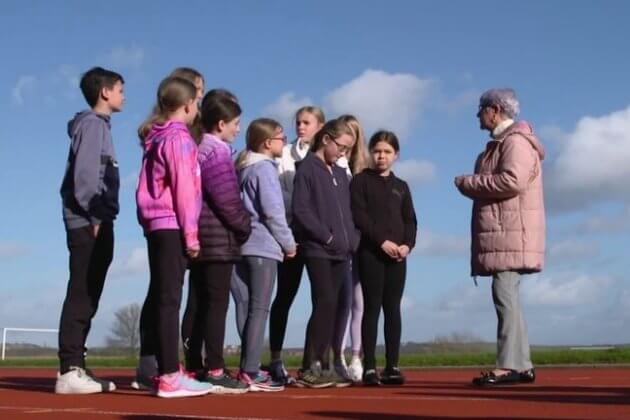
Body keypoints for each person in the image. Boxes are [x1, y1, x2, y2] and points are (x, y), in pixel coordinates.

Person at [454, 88, 544, 386]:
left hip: (509, 233)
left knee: (504, 296)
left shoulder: (514, 143)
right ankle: (522, 363)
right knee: (509, 299)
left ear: (494, 109)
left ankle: (509, 365)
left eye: (481, 109)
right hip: (507, 233)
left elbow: (512, 181)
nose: (478, 115)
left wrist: (469, 182)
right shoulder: (503, 143)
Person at [135, 76, 213, 398]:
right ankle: (169, 374)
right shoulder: (179, 140)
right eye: (196, 102)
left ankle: (168, 369)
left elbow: (143, 189)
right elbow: (184, 191)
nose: (197, 108)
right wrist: (191, 236)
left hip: (158, 226)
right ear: (187, 105)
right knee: (170, 300)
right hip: (172, 225)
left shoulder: (156, 139)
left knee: (164, 298)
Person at [56, 66, 124, 394]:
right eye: (120, 89)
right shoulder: (93, 126)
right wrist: (96, 217)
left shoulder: (100, 127)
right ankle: (69, 369)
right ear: (105, 92)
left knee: (90, 294)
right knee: (82, 292)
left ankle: (77, 366)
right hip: (88, 221)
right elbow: (85, 177)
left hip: (96, 219)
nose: (124, 95)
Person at [184, 93, 251, 393]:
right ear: (221, 123)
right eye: (236, 123)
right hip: (217, 239)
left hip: (201, 237)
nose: (238, 129)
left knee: (199, 303)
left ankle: (196, 365)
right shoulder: (217, 152)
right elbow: (227, 199)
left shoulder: (197, 148)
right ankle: (214, 368)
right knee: (216, 305)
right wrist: (244, 227)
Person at [291, 118, 360, 388]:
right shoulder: (307, 169)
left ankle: (325, 364)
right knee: (324, 303)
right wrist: (328, 236)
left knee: (337, 306)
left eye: (347, 149)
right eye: (341, 147)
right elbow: (301, 210)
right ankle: (310, 366)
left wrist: (352, 239)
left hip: (342, 252)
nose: (343, 153)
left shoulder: (340, 173)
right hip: (319, 249)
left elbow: (349, 212)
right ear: (326, 139)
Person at [231, 118, 297, 391]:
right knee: (259, 309)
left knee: (245, 308)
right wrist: (289, 243)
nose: (285, 141)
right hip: (263, 246)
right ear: (268, 142)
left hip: (241, 246)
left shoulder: (242, 168)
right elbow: (273, 212)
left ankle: (248, 366)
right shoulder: (265, 170)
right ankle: (251, 370)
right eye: (281, 137)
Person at [351, 130, 417, 386]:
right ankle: (369, 368)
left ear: (396, 155)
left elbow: (410, 220)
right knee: (372, 308)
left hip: (398, 258)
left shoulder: (402, 187)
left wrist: (407, 246)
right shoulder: (360, 181)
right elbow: (360, 216)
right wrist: (382, 242)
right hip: (371, 255)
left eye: (387, 152)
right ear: (370, 152)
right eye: (377, 151)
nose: (381, 156)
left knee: (393, 310)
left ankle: (392, 366)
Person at [267, 106, 325, 384]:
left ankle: (315, 361)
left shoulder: (331, 156)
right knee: (284, 297)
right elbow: (282, 195)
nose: (301, 127)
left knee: (322, 300)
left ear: (320, 126)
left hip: (319, 239)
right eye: (298, 122)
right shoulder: (285, 156)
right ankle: (276, 358)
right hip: (291, 235)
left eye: (306, 122)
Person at [330, 114, 369, 382]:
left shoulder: (364, 170)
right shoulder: (334, 166)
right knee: (339, 303)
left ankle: (357, 356)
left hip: (361, 242)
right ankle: (338, 356)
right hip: (340, 243)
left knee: (359, 302)